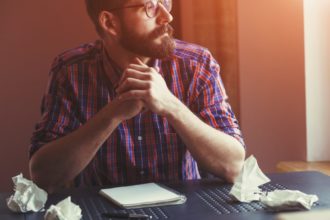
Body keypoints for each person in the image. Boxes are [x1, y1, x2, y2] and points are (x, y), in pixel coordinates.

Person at [29, 0, 245, 193]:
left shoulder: (197, 64)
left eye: (165, 1)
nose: (167, 16)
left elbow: (233, 165)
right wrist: (112, 115)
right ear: (110, 23)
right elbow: (43, 176)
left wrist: (171, 106)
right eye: (150, 7)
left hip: (186, 211)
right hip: (102, 213)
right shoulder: (70, 71)